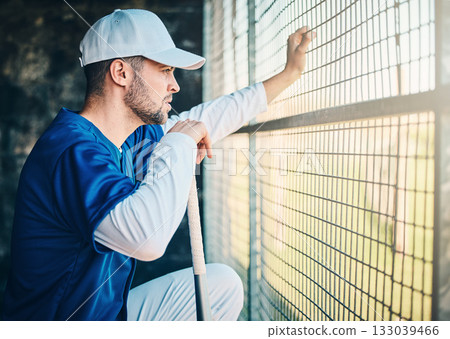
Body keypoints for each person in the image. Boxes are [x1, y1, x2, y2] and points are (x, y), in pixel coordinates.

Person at [2, 9, 314, 320]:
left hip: (106, 316)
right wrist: (178, 144)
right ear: (121, 73)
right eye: (165, 70)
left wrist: (290, 74)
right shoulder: (72, 149)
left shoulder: (127, 137)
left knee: (221, 286)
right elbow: (147, 241)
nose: (175, 85)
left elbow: (208, 118)